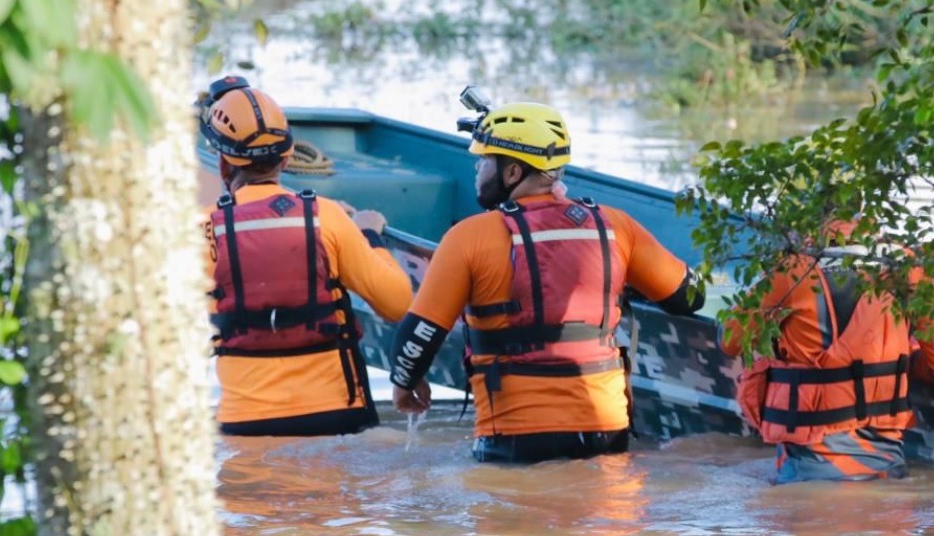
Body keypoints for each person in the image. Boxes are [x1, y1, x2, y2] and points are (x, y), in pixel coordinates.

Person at [388, 100, 705, 463]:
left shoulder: (467, 237)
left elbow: (419, 334)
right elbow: (690, 298)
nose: (476, 169)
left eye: (484, 160)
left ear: (512, 173)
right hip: (606, 434)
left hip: (512, 437)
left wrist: (403, 385)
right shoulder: (615, 226)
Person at [200, 80, 414, 436]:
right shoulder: (326, 217)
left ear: (222, 164)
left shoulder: (203, 229)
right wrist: (368, 234)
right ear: (286, 156)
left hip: (246, 424)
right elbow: (398, 304)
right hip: (338, 418)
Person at [723, 221, 934, 483]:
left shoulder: (794, 271)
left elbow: (730, 342)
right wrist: (894, 367)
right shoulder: (906, 268)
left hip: (811, 471)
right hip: (888, 468)